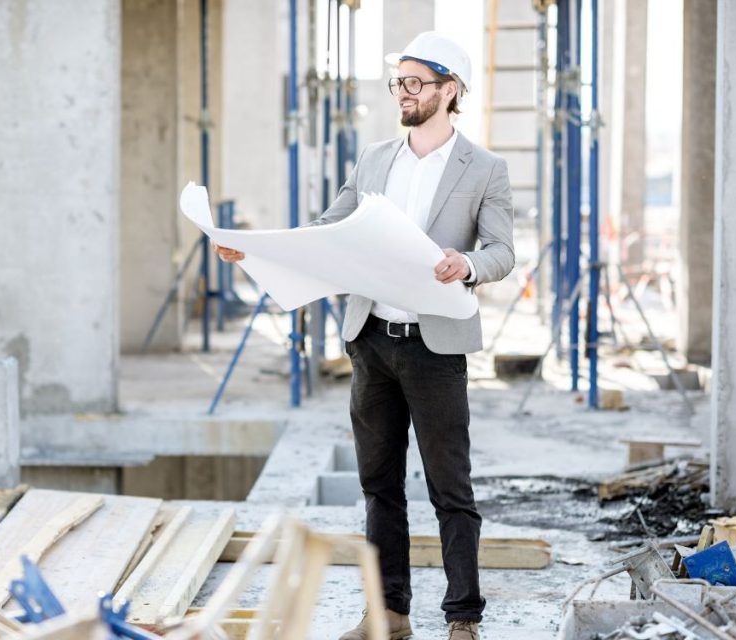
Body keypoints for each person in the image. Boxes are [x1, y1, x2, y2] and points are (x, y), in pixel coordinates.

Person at [216, 31, 514, 640]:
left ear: (449, 90)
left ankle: (463, 619)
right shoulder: (374, 159)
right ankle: (389, 616)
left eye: (415, 83)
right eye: (397, 83)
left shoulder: (484, 168)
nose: (402, 93)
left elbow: (504, 251)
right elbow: (325, 233)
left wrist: (468, 265)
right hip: (372, 340)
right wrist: (253, 251)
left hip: (436, 347)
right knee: (379, 487)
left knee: (449, 488)